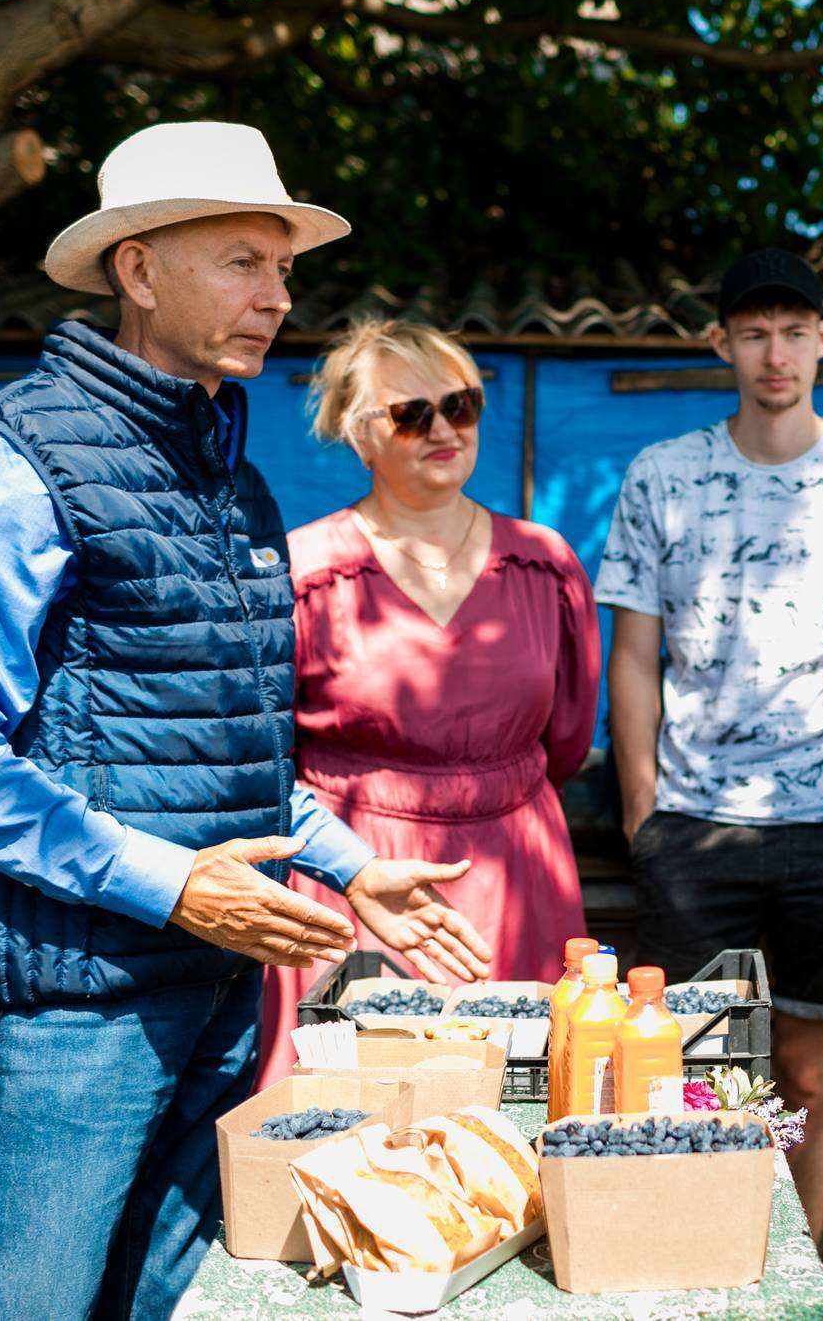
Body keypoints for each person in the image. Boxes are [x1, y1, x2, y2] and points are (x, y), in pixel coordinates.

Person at [0, 122, 491, 1318]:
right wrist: (170, 885)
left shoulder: (234, 480)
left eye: (281, 268)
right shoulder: (13, 459)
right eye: (239, 262)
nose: (275, 298)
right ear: (137, 268)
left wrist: (349, 866)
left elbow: (222, 742)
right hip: (73, 1011)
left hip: (218, 988)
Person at [596, 247, 823, 1239]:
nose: (774, 352)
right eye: (753, 332)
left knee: (806, 1076)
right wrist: (640, 807)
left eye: (795, 330)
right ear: (720, 344)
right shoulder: (662, 474)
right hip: (695, 827)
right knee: (696, 1071)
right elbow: (631, 657)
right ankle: (705, 1269)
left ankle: (797, 1281)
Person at [253, 319, 601, 1086]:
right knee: (348, 1113)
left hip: (518, 866)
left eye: (462, 404)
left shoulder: (543, 564)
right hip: (352, 872)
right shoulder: (306, 573)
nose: (443, 428)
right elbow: (260, 754)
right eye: (412, 414)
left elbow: (569, 736)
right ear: (359, 434)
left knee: (526, 1102)